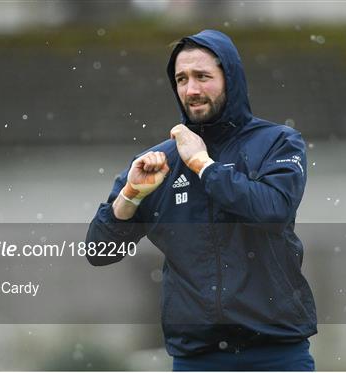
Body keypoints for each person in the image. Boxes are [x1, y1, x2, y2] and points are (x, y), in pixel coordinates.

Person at [86, 29, 317, 371]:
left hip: (276, 353)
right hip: (197, 359)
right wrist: (130, 195)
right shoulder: (158, 162)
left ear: (231, 79)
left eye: (202, 77)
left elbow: (273, 210)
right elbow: (99, 252)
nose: (191, 90)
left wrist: (204, 166)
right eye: (181, 79)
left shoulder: (278, 142)